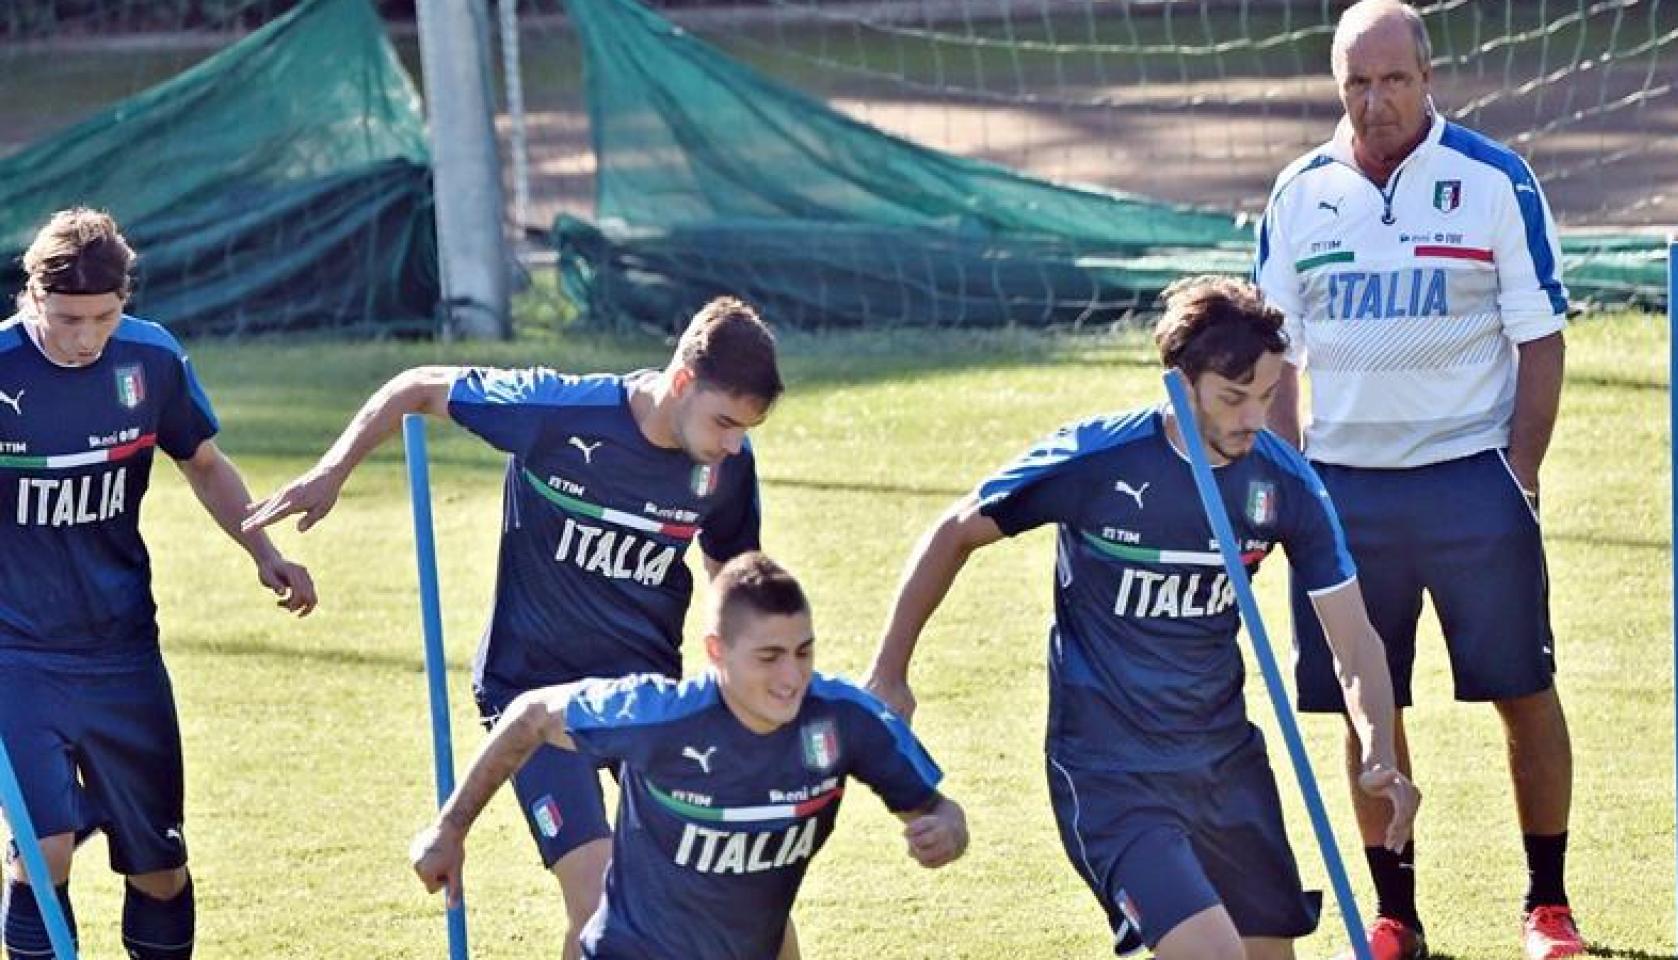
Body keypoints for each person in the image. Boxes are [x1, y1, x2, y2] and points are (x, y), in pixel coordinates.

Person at [863, 275, 1417, 960]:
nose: (1253, 417)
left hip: (1225, 765)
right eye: (1233, 397)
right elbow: (955, 532)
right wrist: (891, 670)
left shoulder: (1286, 483)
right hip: (1110, 769)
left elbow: (1355, 639)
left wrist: (1378, 750)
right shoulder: (1097, 460)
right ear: (1181, 386)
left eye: (1267, 396)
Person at [243, 296, 785, 957]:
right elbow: (416, 386)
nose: (734, 444)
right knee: (599, 909)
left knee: (750, 894)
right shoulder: (556, 411)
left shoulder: (729, 468)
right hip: (529, 694)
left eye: (745, 429)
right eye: (725, 422)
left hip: (642, 698)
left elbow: (734, 583)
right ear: (681, 383)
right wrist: (332, 472)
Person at [1253, 2, 1575, 957]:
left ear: (1428, 78)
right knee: (1369, 707)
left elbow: (1542, 337)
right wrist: (1287, 480)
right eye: (1357, 82)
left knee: (1523, 691)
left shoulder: (1494, 179)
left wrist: (1517, 474)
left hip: (1473, 479)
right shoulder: (1298, 192)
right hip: (1344, 494)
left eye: (1393, 80)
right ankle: (1396, 915)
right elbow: (1277, 355)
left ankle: (1547, 905)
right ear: (1336, 85)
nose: (1375, 100)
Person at [0, 208, 317, 960]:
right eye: (68, 318)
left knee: (161, 868)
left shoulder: (151, 361)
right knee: (42, 856)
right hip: (16, 654)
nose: (86, 338)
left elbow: (203, 463)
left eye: (104, 317)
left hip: (122, 651)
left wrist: (262, 550)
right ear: (32, 296)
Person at [411, 551, 969, 959]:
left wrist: (945, 831)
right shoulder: (657, 716)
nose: (790, 678)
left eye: (804, 652)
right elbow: (531, 715)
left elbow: (940, 811)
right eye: (769, 657)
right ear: (716, 654)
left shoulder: (844, 718)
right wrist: (450, 829)